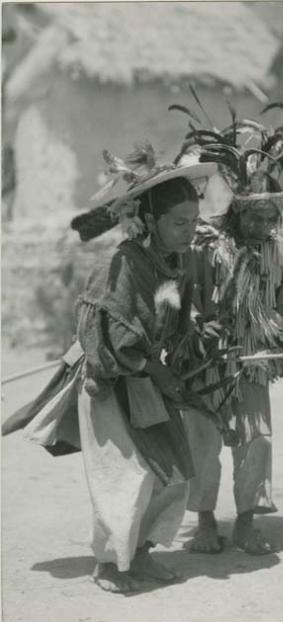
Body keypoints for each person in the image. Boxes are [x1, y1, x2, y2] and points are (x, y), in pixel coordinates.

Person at [2, 144, 218, 591]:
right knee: (125, 476)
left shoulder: (173, 265)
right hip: (108, 380)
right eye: (180, 223)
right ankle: (108, 563)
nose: (189, 231)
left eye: (194, 222)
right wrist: (154, 371)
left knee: (171, 469)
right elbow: (109, 340)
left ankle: (139, 554)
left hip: (145, 380)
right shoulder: (118, 267)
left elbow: (172, 322)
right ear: (149, 221)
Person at [172, 101, 283, 555]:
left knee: (256, 441)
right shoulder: (206, 246)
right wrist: (194, 325)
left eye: (271, 218)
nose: (264, 226)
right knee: (204, 444)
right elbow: (176, 295)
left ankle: (247, 520)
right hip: (205, 363)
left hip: (253, 364)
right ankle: (206, 521)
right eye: (254, 217)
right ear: (235, 212)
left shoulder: (281, 251)